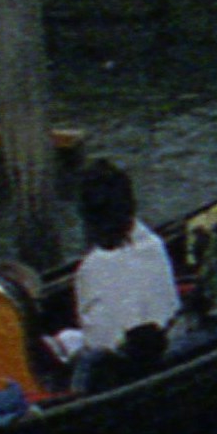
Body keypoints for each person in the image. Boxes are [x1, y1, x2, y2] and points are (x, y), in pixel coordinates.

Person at [51, 159, 184, 387]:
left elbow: (100, 343)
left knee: (62, 340)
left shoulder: (91, 268)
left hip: (119, 369)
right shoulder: (155, 245)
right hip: (166, 348)